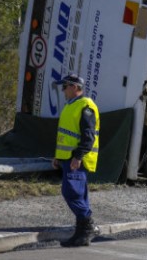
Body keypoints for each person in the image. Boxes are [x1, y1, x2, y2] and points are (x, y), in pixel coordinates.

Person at [52, 73, 101, 248]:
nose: (63, 90)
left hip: (77, 159)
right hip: (68, 158)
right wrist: (58, 156)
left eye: (65, 86)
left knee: (71, 192)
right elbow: (66, 134)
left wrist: (78, 156)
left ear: (74, 87)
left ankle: (88, 225)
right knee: (78, 194)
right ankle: (82, 234)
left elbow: (89, 136)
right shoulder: (72, 105)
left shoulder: (85, 106)